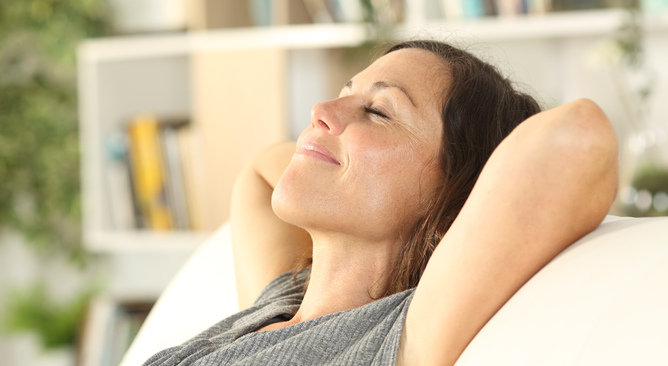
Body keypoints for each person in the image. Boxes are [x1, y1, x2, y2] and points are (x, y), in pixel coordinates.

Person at [143, 40, 618, 366]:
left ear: (452, 207)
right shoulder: (277, 306)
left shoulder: (396, 337)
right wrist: (334, 156)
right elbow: (260, 172)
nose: (321, 111)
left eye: (377, 111)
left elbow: (577, 137)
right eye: (344, 93)